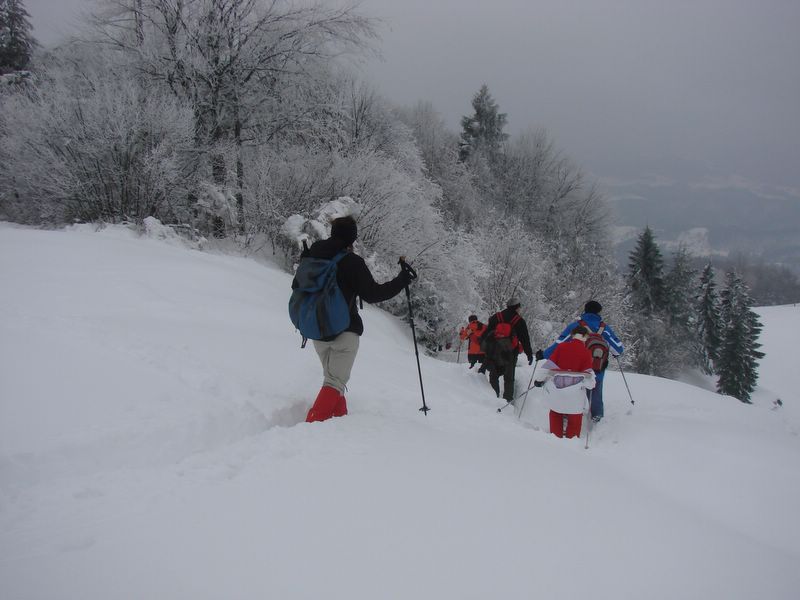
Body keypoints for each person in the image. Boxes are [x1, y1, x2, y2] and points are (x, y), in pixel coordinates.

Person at [295, 215, 413, 422]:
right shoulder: (351, 261)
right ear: (352, 238)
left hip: (317, 330)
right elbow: (373, 294)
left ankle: (339, 421)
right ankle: (311, 427)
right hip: (344, 331)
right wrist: (402, 280)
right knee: (334, 382)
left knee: (333, 379)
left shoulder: (313, 255)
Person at [538, 300, 623, 423]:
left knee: (572, 389)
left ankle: (568, 414)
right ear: (599, 312)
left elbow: (559, 344)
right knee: (596, 390)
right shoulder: (604, 328)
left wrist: (543, 354)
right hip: (596, 367)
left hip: (576, 368)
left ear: (585, 310)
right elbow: (618, 348)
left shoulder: (576, 326)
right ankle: (596, 418)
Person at [534, 326, 596, 438]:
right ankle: (572, 443)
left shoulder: (561, 347)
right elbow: (590, 382)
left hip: (557, 393)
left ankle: (555, 439)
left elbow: (546, 368)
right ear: (585, 337)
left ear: (572, 335)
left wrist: (538, 380)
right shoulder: (586, 352)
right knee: (575, 421)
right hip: (575, 397)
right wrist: (590, 385)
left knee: (555, 415)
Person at [480, 298, 534, 403]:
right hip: (511, 353)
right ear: (517, 307)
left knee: (494, 376)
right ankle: (507, 401)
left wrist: (485, 349)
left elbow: (485, 335)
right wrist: (529, 354)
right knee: (509, 378)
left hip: (495, 352)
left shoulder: (496, 317)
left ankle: (493, 398)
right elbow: (525, 339)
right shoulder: (519, 321)